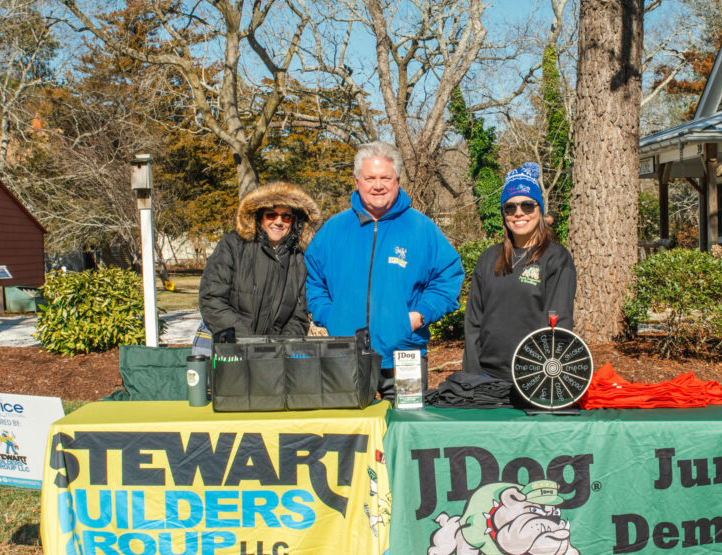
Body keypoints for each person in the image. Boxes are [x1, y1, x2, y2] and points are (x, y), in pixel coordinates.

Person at [305, 141, 463, 402]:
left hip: (405, 354)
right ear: (357, 181)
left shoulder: (421, 229)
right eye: (370, 178)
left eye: (385, 178)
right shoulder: (334, 230)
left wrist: (419, 316)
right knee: (349, 435)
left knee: (408, 430)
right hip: (346, 353)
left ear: (397, 180)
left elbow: (448, 277)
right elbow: (312, 278)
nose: (377, 185)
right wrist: (328, 315)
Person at [462, 162, 577, 382]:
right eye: (510, 207)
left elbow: (560, 323)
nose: (519, 213)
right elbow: (473, 323)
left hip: (535, 376)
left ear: (539, 209)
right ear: (503, 213)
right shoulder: (488, 259)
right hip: (488, 377)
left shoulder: (556, 258)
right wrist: (472, 378)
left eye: (527, 205)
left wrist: (547, 376)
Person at [199, 181, 320, 342]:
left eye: (286, 216)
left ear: (294, 221)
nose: (279, 221)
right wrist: (251, 342)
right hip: (227, 343)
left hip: (272, 354)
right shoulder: (233, 245)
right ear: (259, 216)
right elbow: (212, 299)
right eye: (271, 214)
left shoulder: (298, 260)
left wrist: (277, 348)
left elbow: (299, 316)